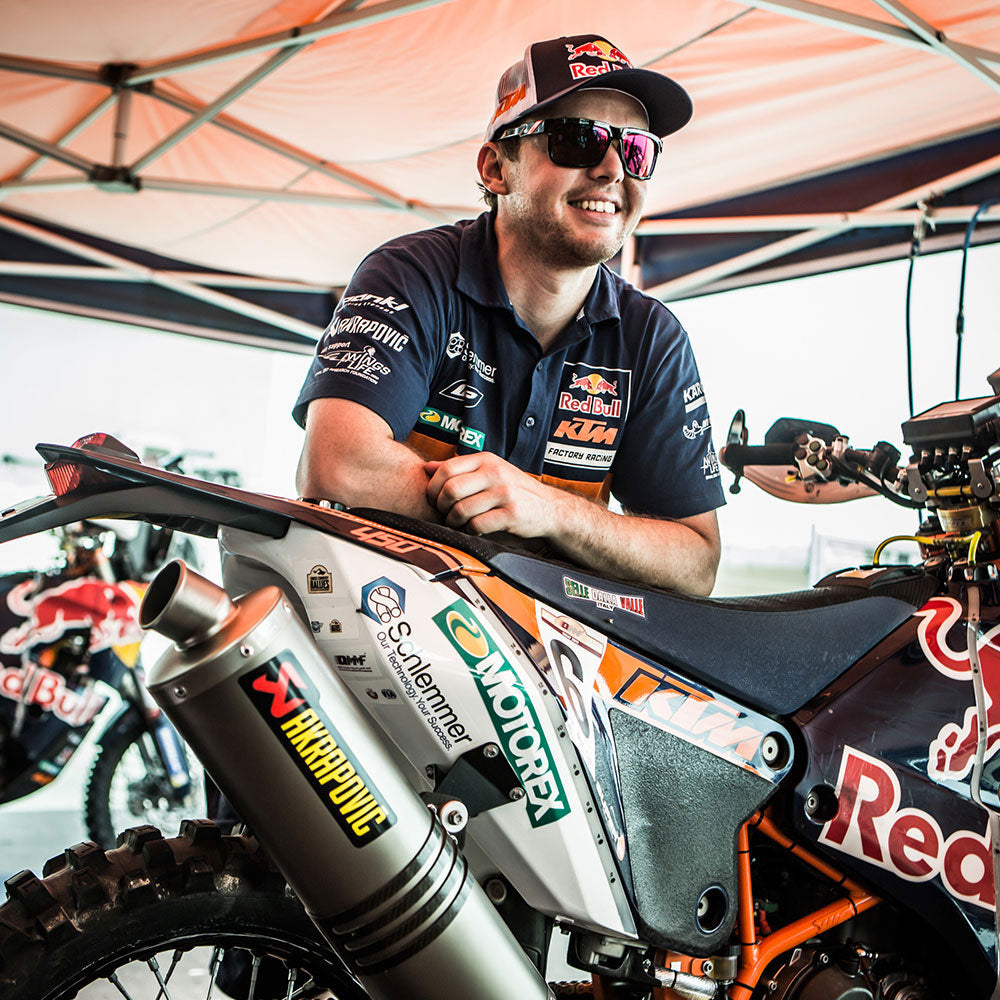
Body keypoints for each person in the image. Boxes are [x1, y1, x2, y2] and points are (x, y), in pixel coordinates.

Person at [294, 34, 724, 596]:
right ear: (497, 168)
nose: (612, 169)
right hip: (382, 617)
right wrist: (523, 523)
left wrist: (550, 511)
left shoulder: (653, 338)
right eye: (578, 138)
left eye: (637, 149)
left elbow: (695, 564)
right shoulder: (411, 274)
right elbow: (337, 467)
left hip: (552, 644)